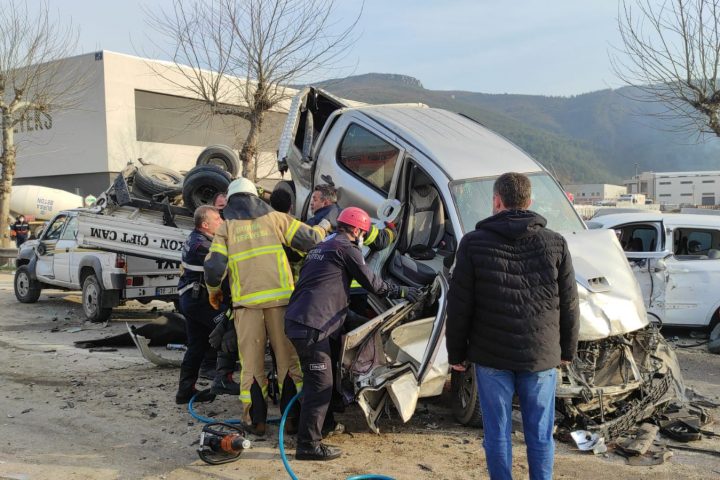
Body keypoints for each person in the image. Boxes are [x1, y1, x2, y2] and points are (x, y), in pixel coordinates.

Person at [446, 172, 579, 480]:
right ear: (529, 201)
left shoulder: (473, 243)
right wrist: (567, 350)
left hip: (491, 356)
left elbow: (460, 304)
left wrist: (457, 353)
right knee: (540, 434)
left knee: (497, 433)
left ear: (497, 201)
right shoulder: (555, 242)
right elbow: (570, 303)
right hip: (540, 356)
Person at [285, 206, 421, 461]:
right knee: (320, 384)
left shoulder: (321, 247)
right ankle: (308, 446)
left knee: (324, 379)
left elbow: (322, 287)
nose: (363, 237)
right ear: (357, 231)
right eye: (364, 233)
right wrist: (402, 292)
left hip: (303, 321)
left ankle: (324, 426)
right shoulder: (346, 248)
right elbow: (374, 284)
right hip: (312, 326)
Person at [204, 177, 331, 436]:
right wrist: (326, 224)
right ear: (255, 198)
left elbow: (214, 269)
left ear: (232, 201)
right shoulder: (276, 219)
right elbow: (311, 239)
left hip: (246, 307)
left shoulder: (226, 228)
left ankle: (255, 422)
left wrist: (213, 292)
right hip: (281, 304)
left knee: (251, 366)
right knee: (288, 362)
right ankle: (292, 420)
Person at [174, 205, 225, 404]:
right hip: (199, 301)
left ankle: (185, 392)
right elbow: (224, 263)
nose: (222, 222)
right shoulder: (201, 246)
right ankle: (225, 379)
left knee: (196, 346)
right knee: (231, 329)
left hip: (193, 300)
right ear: (205, 224)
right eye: (217, 219)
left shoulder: (197, 238)